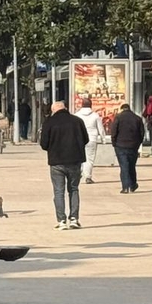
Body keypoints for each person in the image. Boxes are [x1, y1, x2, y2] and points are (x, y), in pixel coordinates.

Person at [40, 101, 87, 230]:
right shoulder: (77, 121)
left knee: (58, 191)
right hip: (75, 161)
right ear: (65, 108)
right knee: (74, 189)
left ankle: (61, 220)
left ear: (53, 110)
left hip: (56, 162)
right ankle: (74, 219)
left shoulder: (49, 122)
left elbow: (44, 144)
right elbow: (85, 139)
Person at [108, 103, 145, 194]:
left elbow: (113, 131)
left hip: (120, 145)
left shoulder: (118, 118)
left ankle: (125, 187)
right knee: (132, 166)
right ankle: (132, 185)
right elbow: (142, 133)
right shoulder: (137, 118)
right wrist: (138, 144)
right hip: (133, 146)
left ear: (122, 109)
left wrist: (114, 143)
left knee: (124, 166)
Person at [74, 98, 104, 182]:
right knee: (89, 158)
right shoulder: (95, 115)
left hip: (79, 139)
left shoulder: (77, 115)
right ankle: (88, 177)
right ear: (91, 105)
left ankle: (78, 173)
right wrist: (103, 139)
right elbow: (100, 129)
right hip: (92, 138)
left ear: (81, 105)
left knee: (79, 158)